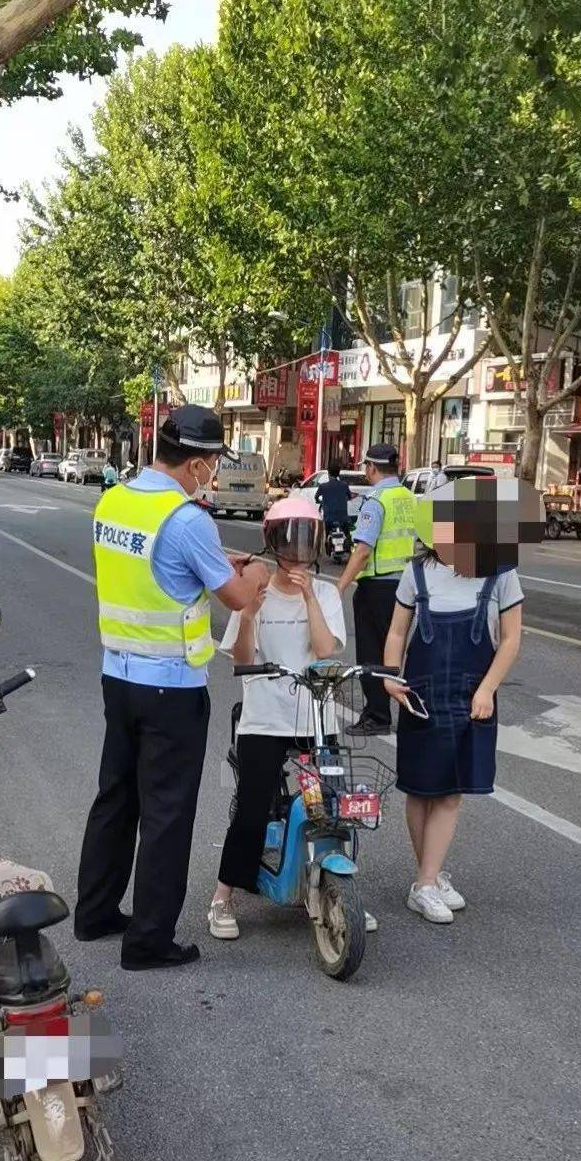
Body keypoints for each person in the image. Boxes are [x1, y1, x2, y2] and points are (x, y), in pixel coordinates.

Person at [75, 405, 270, 971]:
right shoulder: (186, 520)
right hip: (171, 689)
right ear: (201, 464)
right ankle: (148, 941)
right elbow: (237, 597)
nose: (212, 472)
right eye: (213, 463)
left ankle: (96, 913)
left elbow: (156, 570)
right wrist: (252, 575)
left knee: (116, 797)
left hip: (119, 677)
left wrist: (213, 566)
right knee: (166, 812)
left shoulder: (114, 499)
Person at [207, 498, 371, 938]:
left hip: (316, 718)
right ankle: (223, 896)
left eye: (306, 539)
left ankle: (339, 888)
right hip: (265, 718)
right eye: (290, 539)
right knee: (254, 807)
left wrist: (309, 598)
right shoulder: (252, 592)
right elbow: (241, 658)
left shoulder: (325, 593)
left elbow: (324, 649)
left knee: (334, 805)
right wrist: (249, 615)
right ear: (273, 540)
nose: (298, 552)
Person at [382, 483, 524, 923]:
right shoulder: (417, 573)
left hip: (471, 696)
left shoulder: (501, 573)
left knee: (451, 792)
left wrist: (486, 690)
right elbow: (396, 634)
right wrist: (390, 678)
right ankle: (429, 875)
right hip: (419, 696)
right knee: (421, 789)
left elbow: (512, 639)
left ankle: (426, 881)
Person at [337, 443, 416, 735]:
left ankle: (377, 716)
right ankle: (393, 710)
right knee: (393, 650)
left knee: (372, 652)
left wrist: (341, 585)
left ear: (371, 468)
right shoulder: (410, 498)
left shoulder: (377, 501)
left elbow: (362, 551)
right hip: (405, 588)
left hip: (377, 586)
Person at [314, 461, 353, 553]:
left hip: (329, 518)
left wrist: (319, 501)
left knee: (327, 532)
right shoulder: (344, 485)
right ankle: (348, 547)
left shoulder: (323, 486)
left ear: (328, 473)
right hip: (343, 517)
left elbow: (316, 497)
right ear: (339, 473)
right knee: (347, 533)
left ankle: (327, 546)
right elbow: (349, 496)